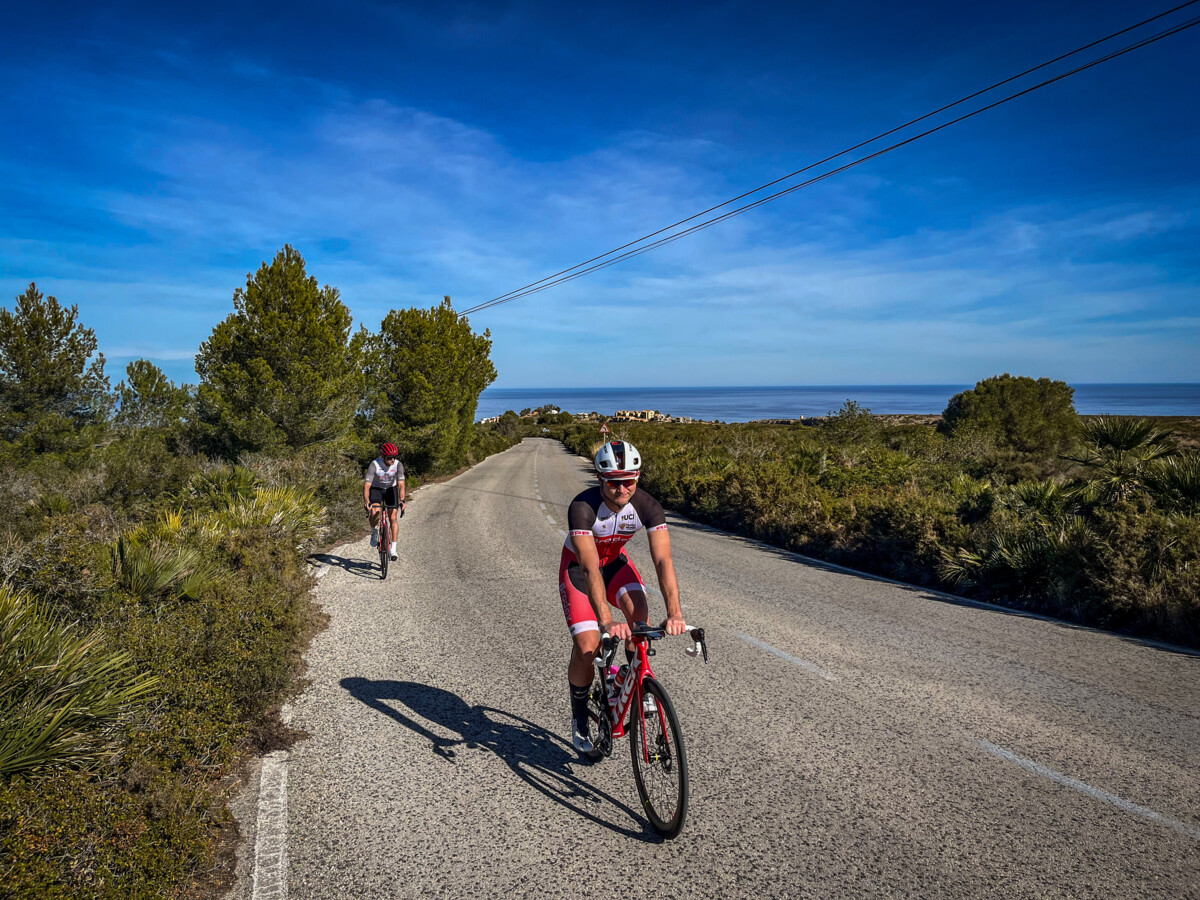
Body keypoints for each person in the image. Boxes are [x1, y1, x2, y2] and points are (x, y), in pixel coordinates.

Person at [558, 439, 686, 753]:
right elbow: (589, 567)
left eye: (628, 481)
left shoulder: (647, 505)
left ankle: (632, 681)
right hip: (579, 571)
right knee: (588, 647)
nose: (621, 489)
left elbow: (663, 560)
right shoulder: (583, 507)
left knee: (640, 621)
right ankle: (579, 718)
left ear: (637, 478)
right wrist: (605, 620)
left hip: (615, 565)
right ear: (600, 479)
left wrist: (675, 612)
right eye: (613, 482)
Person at [364, 442, 406, 561]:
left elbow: (401, 485)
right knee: (375, 512)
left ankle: (393, 549)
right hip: (376, 489)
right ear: (383, 457)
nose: (392, 460)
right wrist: (367, 501)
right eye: (389, 458)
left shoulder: (398, 465)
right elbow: (367, 486)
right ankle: (374, 531)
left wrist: (402, 500)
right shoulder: (374, 464)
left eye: (394, 457)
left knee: (393, 518)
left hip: (391, 489)